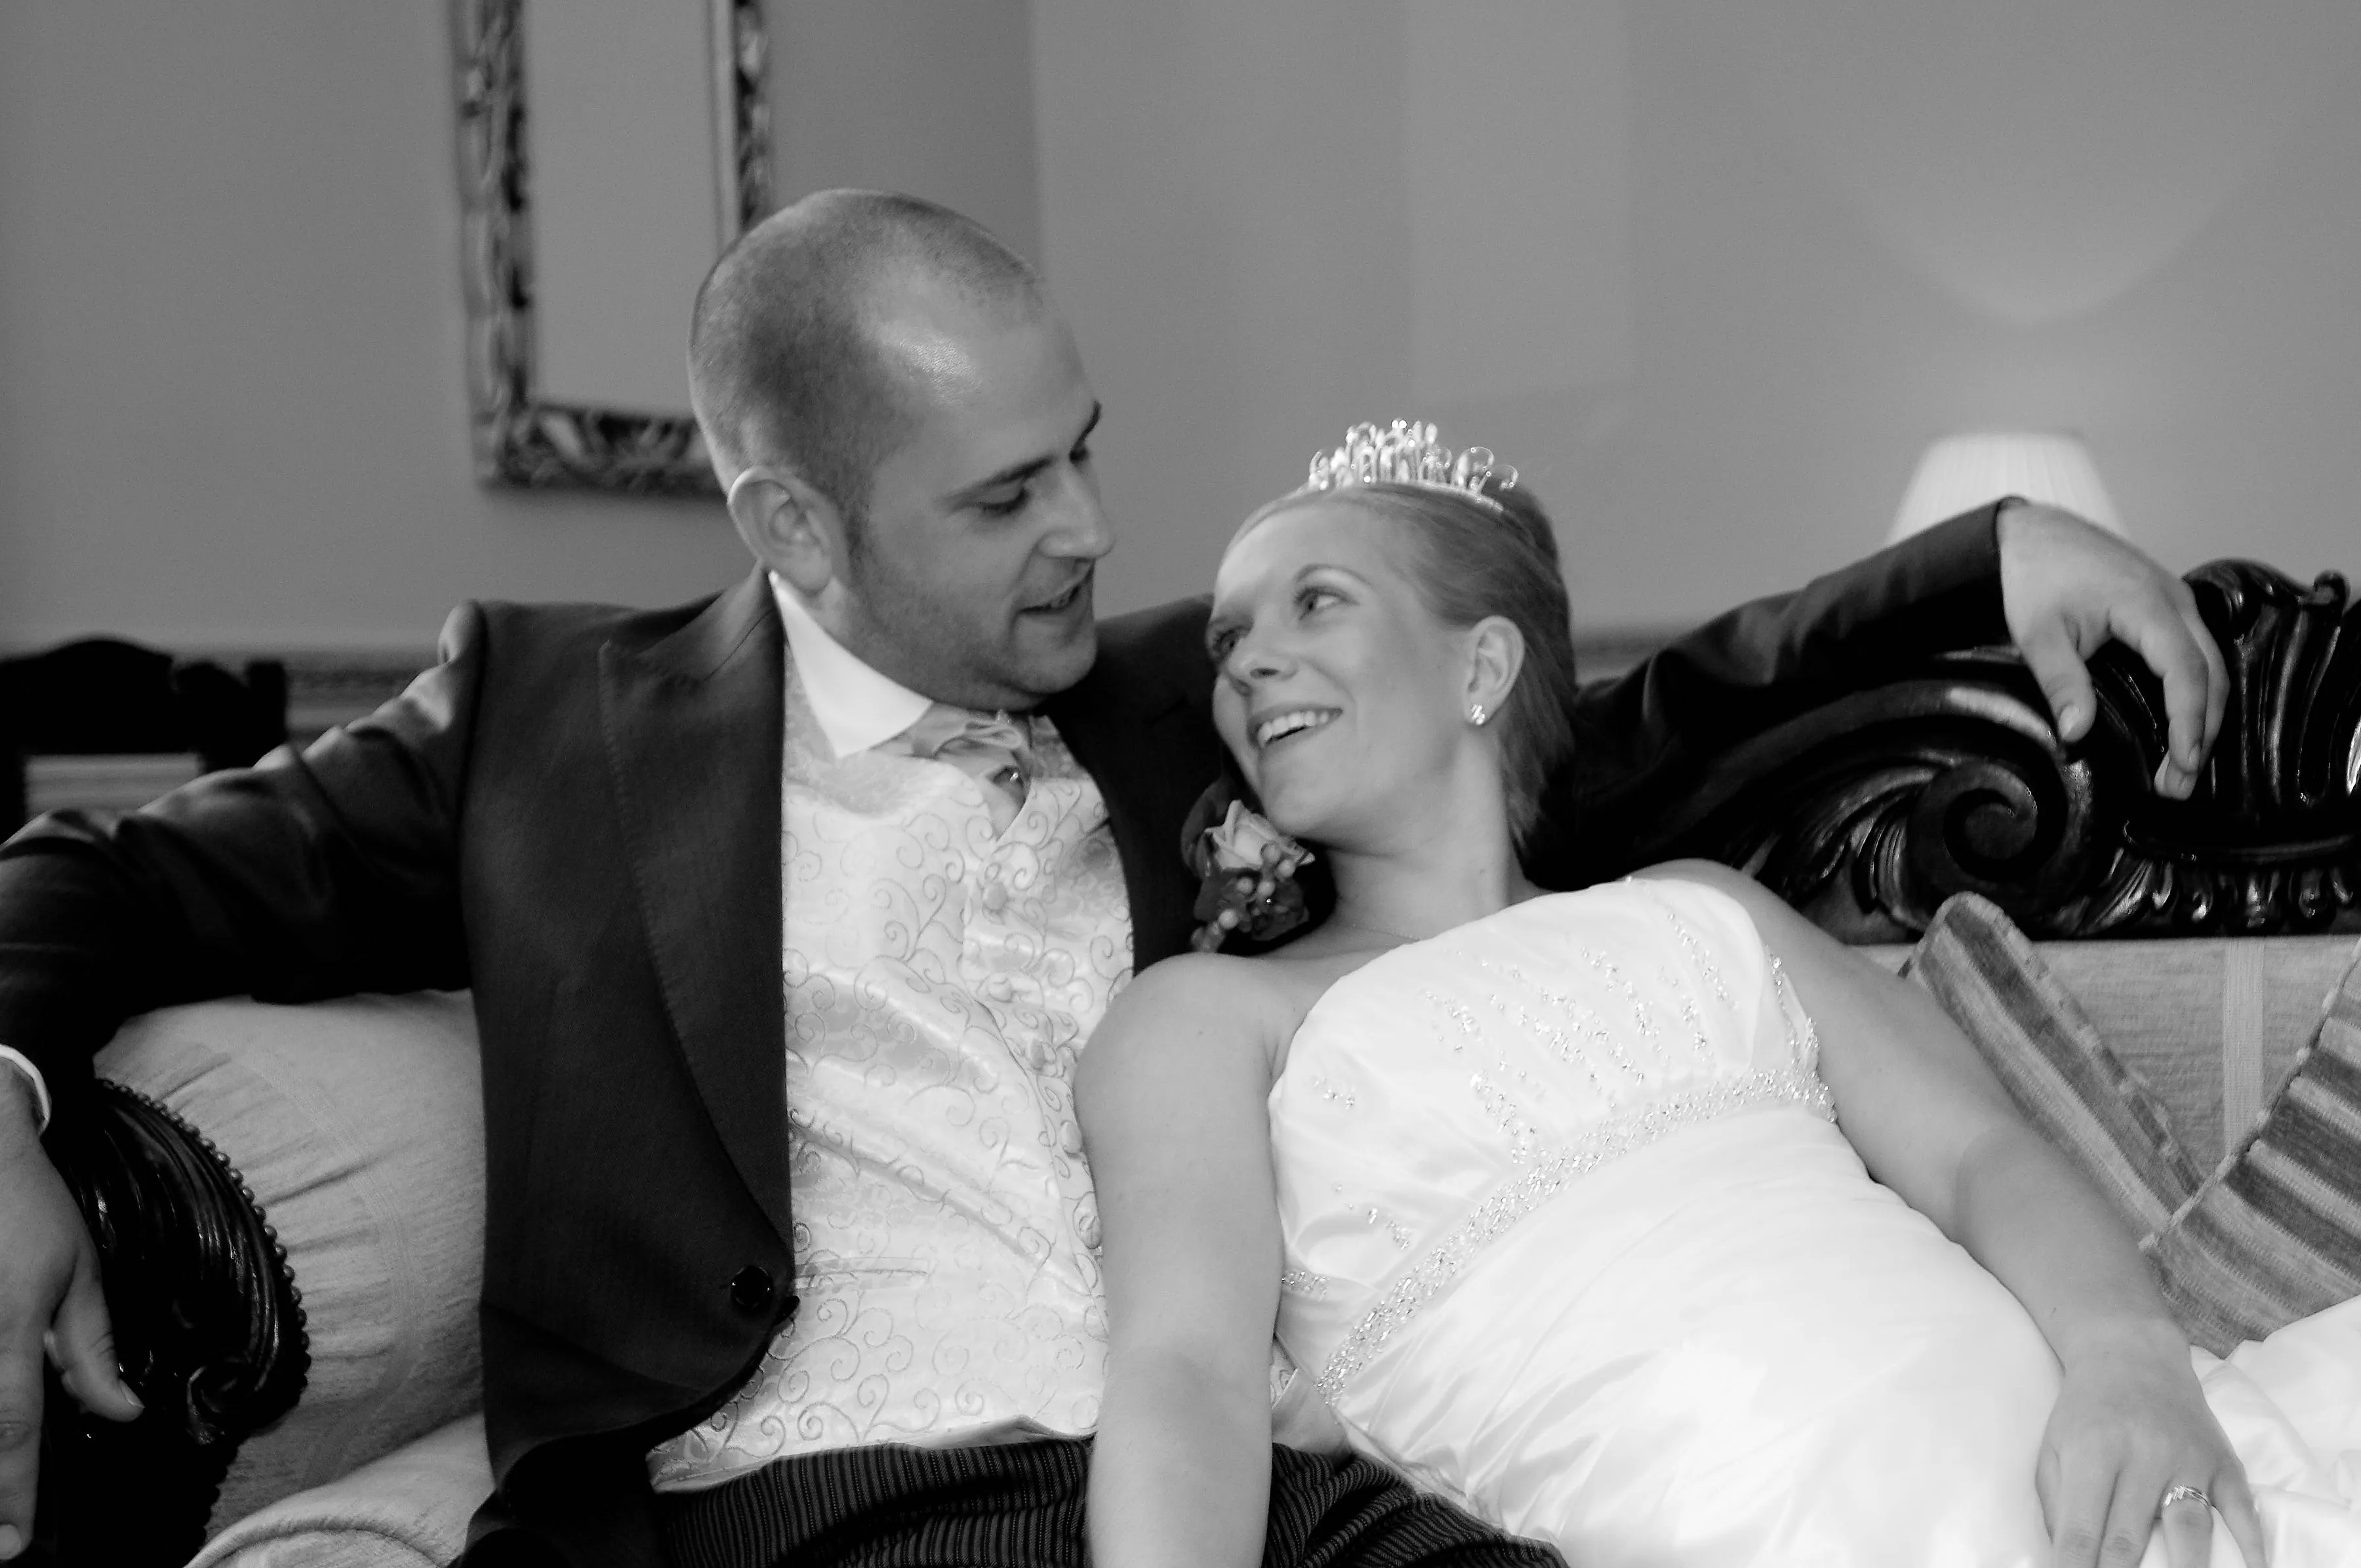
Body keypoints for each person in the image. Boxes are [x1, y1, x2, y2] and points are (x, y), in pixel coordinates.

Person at [0, 190, 2228, 1568]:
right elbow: (102, 880)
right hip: (820, 1487)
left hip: (1248, 1472)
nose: (1087, 534)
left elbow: (1595, 718)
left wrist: (1983, 558)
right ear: (796, 530)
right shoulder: (548, 725)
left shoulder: (1192, 696)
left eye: (1082, 451)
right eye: (1003, 501)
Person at [1078, 426, 2360, 1568]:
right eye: (1229, 640)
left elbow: (1982, 1156)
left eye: (1315, 603)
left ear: (1484, 664)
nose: (1249, 664)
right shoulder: (1201, 1021)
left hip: (2088, 1458)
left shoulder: (1704, 907)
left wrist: (2131, 1363)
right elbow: (1187, 1380)